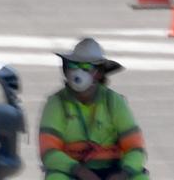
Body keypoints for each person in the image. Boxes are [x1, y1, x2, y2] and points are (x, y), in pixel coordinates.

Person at [39, 38, 148, 180]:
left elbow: (136, 149)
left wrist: (124, 173)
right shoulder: (56, 103)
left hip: (114, 170)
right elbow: (49, 152)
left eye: (86, 67)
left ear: (99, 73)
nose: (77, 71)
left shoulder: (114, 101)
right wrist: (78, 170)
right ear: (65, 69)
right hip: (72, 172)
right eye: (73, 65)